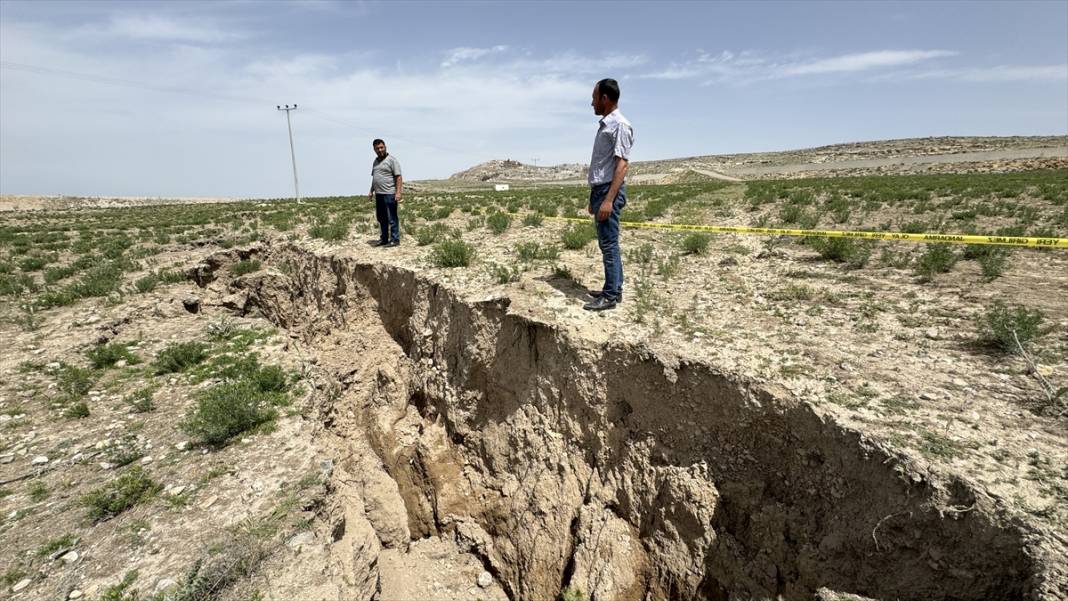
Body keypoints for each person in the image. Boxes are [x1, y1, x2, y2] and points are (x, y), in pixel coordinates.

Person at [584, 78, 634, 311]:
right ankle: (614, 288)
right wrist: (594, 197)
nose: (591, 102)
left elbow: (622, 165)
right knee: (608, 245)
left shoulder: (620, 125)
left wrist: (608, 200)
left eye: (594, 97)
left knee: (609, 245)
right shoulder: (607, 125)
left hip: (608, 191)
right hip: (601, 191)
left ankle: (611, 295)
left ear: (605, 98)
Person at [368, 138, 403, 246]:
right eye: (377, 148)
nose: (380, 150)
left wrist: (398, 192)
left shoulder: (392, 160)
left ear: (385, 147)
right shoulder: (375, 161)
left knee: (392, 217)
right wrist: (371, 191)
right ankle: (384, 239)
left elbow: (398, 177)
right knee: (381, 217)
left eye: (381, 147)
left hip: (389, 193)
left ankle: (395, 239)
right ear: (374, 149)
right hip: (379, 194)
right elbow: (375, 178)